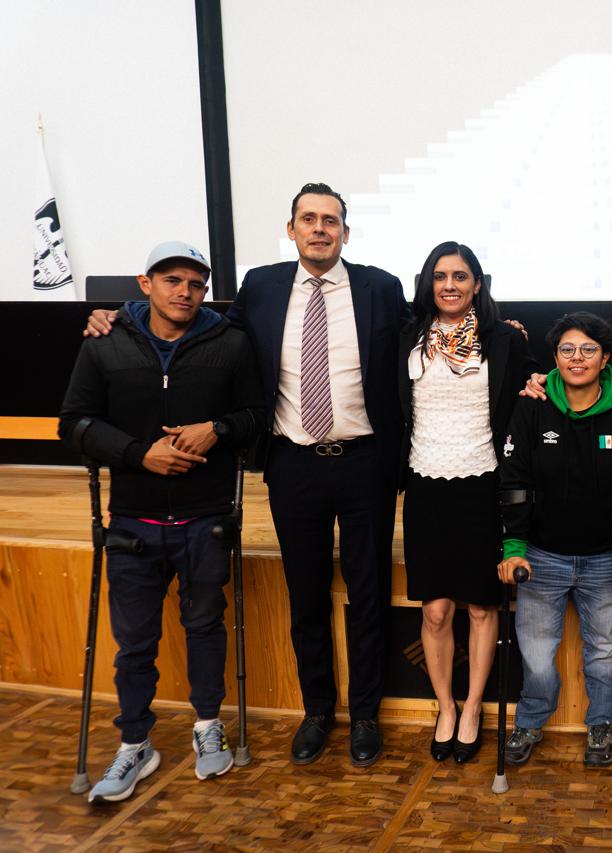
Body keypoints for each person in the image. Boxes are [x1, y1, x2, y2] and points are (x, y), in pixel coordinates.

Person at [85, 182, 411, 767]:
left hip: (365, 462)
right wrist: (123, 317)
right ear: (291, 230)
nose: (319, 228)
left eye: (330, 220)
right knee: (305, 596)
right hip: (292, 464)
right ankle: (317, 712)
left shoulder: (380, 288)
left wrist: (498, 333)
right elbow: (197, 326)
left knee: (369, 594)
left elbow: (425, 340)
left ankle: (364, 715)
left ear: (345, 231)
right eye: (308, 219)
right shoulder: (261, 286)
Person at [59, 242, 265, 802]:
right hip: (133, 521)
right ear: (144, 283)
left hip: (205, 517)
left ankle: (207, 725)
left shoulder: (231, 344)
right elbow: (74, 423)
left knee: (205, 627)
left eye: (196, 284)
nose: (185, 292)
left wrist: (218, 430)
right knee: (134, 644)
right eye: (172, 280)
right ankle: (134, 745)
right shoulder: (105, 342)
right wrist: (136, 453)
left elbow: (256, 416)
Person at [399, 241, 535, 764]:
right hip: (425, 486)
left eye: (461, 276)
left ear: (478, 284)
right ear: (428, 283)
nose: (449, 285)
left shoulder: (503, 340)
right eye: (440, 276)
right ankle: (445, 707)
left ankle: (474, 707)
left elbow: (534, 388)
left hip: (483, 486)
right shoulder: (406, 338)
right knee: (435, 611)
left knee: (481, 606)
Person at [498, 312, 612, 768]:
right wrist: (513, 548)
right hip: (542, 557)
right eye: (567, 350)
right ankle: (530, 720)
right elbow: (514, 479)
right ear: (555, 358)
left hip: (605, 559)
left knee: (602, 652)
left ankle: (601, 724)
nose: (577, 358)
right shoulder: (533, 404)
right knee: (537, 656)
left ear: (604, 359)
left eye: (588, 350)